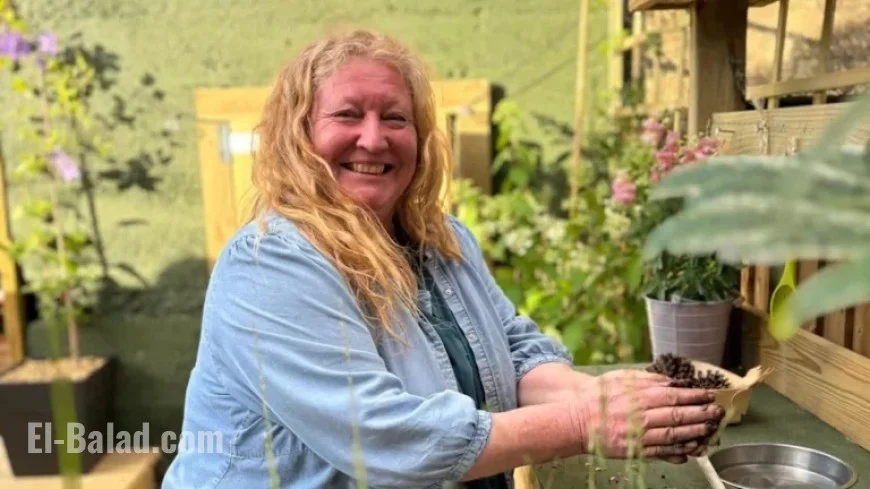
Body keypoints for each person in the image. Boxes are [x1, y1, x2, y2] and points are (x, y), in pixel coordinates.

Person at [162, 28, 724, 489]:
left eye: (396, 118)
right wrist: (587, 422)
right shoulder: (270, 265)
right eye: (347, 115)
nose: (374, 139)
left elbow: (516, 350)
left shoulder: (440, 239)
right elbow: (382, 438)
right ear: (299, 135)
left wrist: (608, 399)